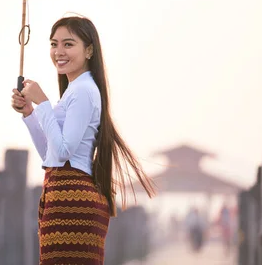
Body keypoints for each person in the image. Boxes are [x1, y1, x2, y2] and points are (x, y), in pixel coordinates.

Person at [11, 15, 156, 264]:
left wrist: (43, 102)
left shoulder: (84, 91)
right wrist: (30, 114)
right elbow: (51, 154)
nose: (59, 51)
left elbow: (64, 150)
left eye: (68, 44)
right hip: (62, 195)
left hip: (72, 198)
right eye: (54, 44)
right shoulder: (75, 90)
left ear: (89, 50)